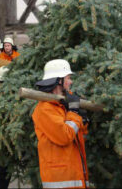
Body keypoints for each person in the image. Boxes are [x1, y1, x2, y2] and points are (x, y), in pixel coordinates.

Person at [32, 59, 89, 189]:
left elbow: (77, 134)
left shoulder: (61, 106)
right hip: (60, 179)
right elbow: (64, 136)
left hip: (74, 174)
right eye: (68, 78)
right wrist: (74, 112)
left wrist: (83, 120)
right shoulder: (45, 109)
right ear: (59, 81)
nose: (71, 82)